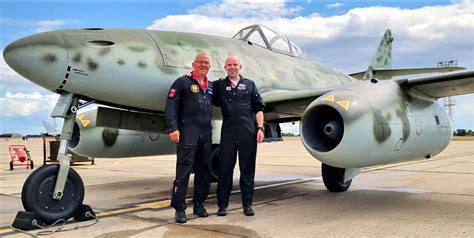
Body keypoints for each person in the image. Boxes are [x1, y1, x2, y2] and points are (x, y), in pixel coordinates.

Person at [212, 55, 265, 216]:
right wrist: (190, 75)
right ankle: (222, 205)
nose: (232, 67)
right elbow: (201, 86)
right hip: (228, 132)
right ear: (225, 68)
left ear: (240, 67)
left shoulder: (250, 85)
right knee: (224, 169)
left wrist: (260, 128)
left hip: (248, 132)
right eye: (229, 65)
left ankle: (247, 204)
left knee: (247, 169)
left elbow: (258, 108)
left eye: (235, 64)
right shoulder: (219, 85)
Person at [165, 53, 213, 223]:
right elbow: (171, 106)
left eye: (206, 63)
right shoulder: (182, 82)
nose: (203, 65)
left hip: (205, 134)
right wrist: (173, 128)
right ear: (193, 64)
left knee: (204, 170)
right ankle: (179, 208)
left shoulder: (211, 86)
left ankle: (199, 204)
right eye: (200, 62)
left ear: (210, 66)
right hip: (188, 132)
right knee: (184, 170)